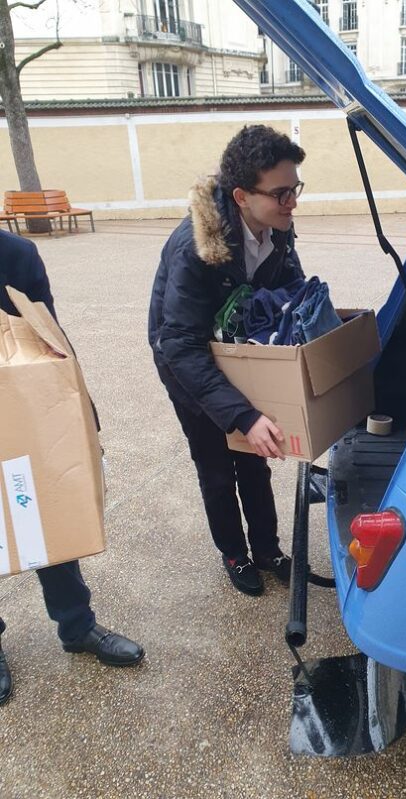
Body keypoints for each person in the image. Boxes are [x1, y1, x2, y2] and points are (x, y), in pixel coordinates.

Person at [149, 125, 306, 597]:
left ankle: (267, 549)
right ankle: (234, 553)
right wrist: (242, 414)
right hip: (187, 364)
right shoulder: (195, 247)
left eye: (295, 189)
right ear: (241, 196)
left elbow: (291, 290)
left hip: (239, 353)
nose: (292, 203)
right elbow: (178, 344)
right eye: (280, 194)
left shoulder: (277, 230)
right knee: (217, 468)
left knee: (255, 461)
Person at [0, 229, 145, 707]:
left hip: (23, 413)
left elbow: (53, 342)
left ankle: (77, 626)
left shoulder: (16, 255)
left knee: (48, 515)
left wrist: (81, 416)